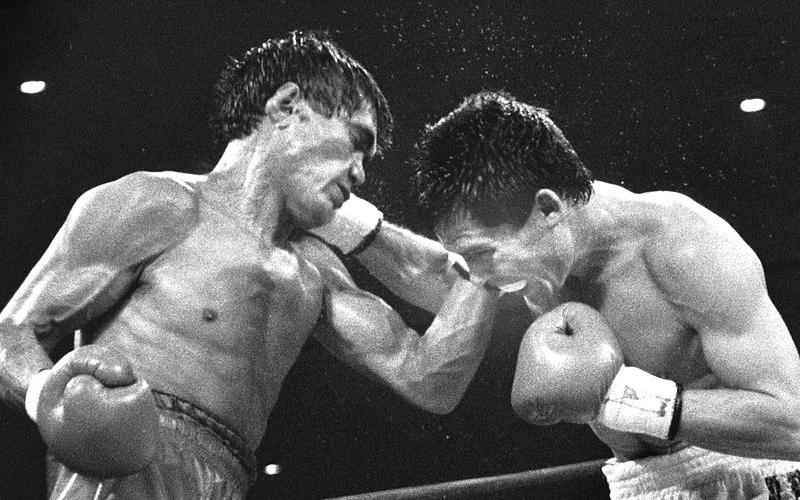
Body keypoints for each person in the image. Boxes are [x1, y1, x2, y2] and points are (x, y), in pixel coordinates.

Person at [0, 31, 503, 500]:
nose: (360, 173)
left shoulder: (316, 272)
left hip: (230, 478)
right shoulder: (158, 204)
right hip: (126, 459)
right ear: (287, 105)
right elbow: (11, 331)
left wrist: (489, 264)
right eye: (356, 141)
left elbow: (428, 379)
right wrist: (49, 397)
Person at [386, 90, 800, 499]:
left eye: (481, 254)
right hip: (639, 485)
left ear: (548, 209)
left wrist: (628, 401)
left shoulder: (680, 245)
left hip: (746, 475)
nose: (479, 279)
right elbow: (426, 276)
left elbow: (794, 424)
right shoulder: (539, 263)